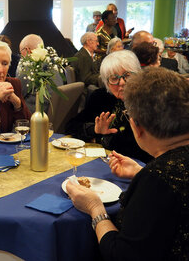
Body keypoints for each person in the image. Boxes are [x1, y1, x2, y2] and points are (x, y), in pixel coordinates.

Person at [66, 67, 189, 260]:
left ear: (137, 128)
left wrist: (95, 208)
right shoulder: (162, 171)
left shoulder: (157, 178)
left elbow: (122, 254)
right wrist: (140, 171)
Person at [66, 50, 152, 163]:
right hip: (101, 163)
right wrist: (95, 129)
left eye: (127, 75)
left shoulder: (147, 102)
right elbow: (71, 126)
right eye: (114, 78)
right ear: (107, 82)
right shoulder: (101, 97)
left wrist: (99, 138)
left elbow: (137, 148)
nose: (121, 82)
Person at [16, 34, 58, 113]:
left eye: (21, 52)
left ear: (28, 50)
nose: (21, 57)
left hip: (35, 113)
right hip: (53, 111)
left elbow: (19, 93)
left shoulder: (29, 66)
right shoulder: (54, 64)